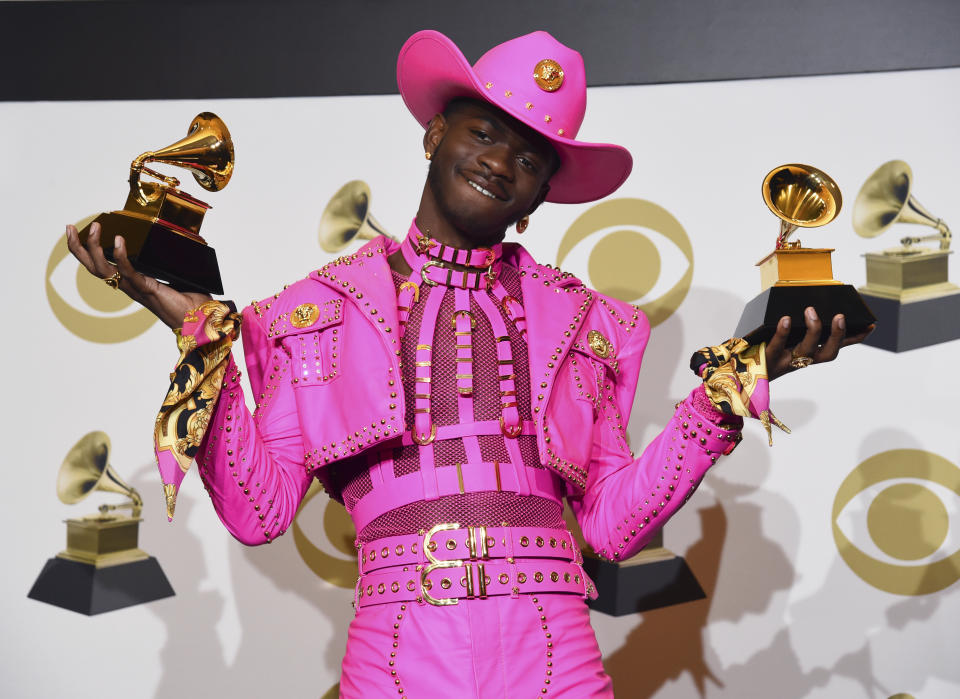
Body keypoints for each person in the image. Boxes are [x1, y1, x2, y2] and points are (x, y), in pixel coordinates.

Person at [67, 29, 869, 699]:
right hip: (396, 656)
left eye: (529, 158)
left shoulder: (593, 324)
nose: (500, 162)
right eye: (483, 132)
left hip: (557, 653)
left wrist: (722, 400)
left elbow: (611, 524)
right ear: (433, 135)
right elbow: (258, 510)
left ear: (541, 196)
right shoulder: (312, 313)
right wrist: (202, 338)